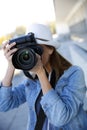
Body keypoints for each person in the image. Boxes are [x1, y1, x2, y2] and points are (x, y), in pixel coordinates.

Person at [0, 23, 87, 130]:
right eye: (28, 50)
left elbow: (60, 118)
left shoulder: (74, 74)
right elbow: (3, 104)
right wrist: (11, 66)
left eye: (36, 49)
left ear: (50, 49)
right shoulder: (31, 81)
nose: (31, 54)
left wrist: (41, 73)